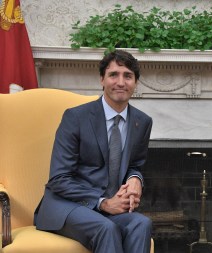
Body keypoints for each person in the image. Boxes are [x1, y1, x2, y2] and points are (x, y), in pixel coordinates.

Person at [34, 50, 153, 253]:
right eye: (113, 74)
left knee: (142, 223)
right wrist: (104, 203)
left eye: (128, 76)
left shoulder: (142, 122)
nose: (121, 82)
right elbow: (59, 178)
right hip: (67, 206)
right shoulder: (75, 118)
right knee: (106, 228)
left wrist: (136, 179)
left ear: (136, 83)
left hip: (110, 208)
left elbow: (135, 165)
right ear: (102, 80)